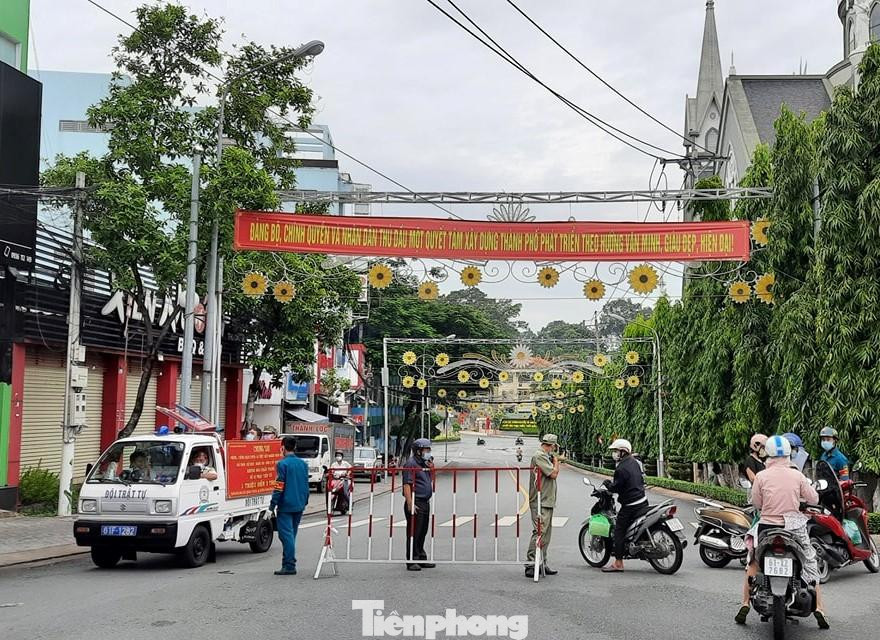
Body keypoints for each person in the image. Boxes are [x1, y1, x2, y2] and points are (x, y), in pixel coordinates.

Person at [735, 435, 828, 628]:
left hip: (767, 526)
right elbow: (814, 499)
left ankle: (745, 603)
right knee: (810, 561)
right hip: (794, 527)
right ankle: (819, 607)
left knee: (752, 561)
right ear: (789, 453)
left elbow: (756, 503)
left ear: (767, 453)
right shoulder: (797, 475)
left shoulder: (761, 476)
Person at [601, 438, 647, 573]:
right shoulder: (635, 462)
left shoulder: (621, 468)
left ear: (623, 452)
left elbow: (616, 488)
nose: (614, 454)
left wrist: (608, 484)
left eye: (616, 451)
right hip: (642, 500)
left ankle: (618, 563)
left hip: (631, 505)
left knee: (618, 531)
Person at [269, 437, 310, 575]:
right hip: (299, 504)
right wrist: (305, 500)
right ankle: (288, 562)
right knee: (292, 535)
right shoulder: (303, 464)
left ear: (283, 448)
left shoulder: (282, 464)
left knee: (286, 536)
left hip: (286, 505)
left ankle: (289, 564)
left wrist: (272, 505)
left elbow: (279, 486)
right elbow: (306, 484)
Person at [525, 433, 560, 578]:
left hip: (547, 500)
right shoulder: (539, 456)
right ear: (552, 445)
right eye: (554, 447)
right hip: (540, 500)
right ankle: (531, 564)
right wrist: (557, 461)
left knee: (546, 534)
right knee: (539, 532)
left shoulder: (546, 457)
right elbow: (553, 474)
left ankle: (542, 563)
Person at [402, 438, 434, 571]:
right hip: (416, 502)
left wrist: (431, 467)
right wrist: (410, 503)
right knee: (414, 532)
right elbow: (407, 485)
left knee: (423, 532)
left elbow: (430, 479)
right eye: (426, 450)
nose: (428, 452)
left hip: (425, 502)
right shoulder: (411, 463)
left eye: (428, 450)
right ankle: (411, 559)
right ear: (418, 451)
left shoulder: (425, 463)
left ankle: (421, 557)